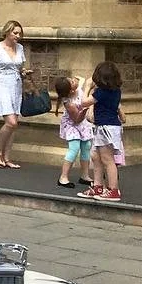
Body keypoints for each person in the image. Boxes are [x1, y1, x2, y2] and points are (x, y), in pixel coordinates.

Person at [0, 20, 27, 169]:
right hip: (1, 84)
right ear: (7, 32)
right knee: (11, 122)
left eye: (20, 33)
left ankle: (7, 157)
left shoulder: (20, 48)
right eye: (15, 33)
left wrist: (24, 72)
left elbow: (19, 67)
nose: (18, 36)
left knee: (14, 124)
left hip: (16, 85)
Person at [80, 61, 125, 202]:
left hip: (106, 127)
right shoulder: (116, 91)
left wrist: (87, 87)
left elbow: (84, 102)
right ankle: (98, 186)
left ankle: (113, 190)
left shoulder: (101, 92)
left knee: (107, 159)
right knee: (96, 157)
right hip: (105, 127)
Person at [53, 74, 93, 187]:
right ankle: (63, 177)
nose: (73, 81)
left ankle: (85, 175)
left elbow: (82, 80)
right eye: (71, 82)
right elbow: (76, 119)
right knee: (74, 148)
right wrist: (84, 111)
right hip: (73, 124)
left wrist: (81, 79)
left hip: (83, 124)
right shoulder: (69, 103)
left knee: (86, 146)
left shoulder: (78, 88)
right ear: (71, 90)